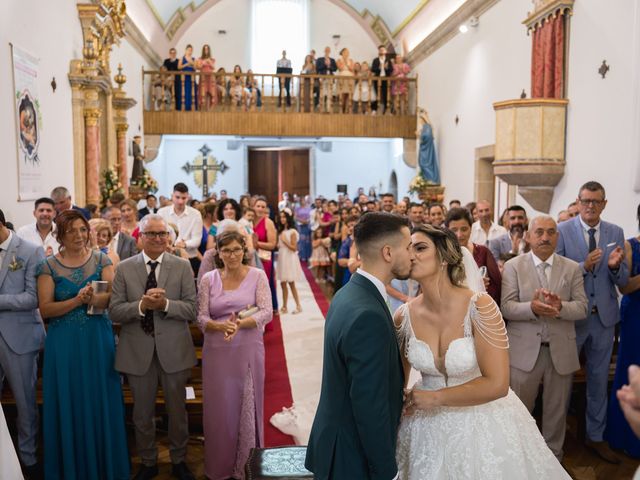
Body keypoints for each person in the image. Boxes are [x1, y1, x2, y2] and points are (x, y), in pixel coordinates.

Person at [395, 224, 570, 479]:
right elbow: (397, 381)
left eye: (420, 248)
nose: (411, 255)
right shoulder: (403, 316)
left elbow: (498, 384)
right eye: (409, 249)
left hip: (483, 420)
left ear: (444, 256)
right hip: (424, 427)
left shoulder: (479, 306)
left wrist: (435, 398)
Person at [306, 212, 412, 479]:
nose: (412, 254)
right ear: (388, 252)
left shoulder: (349, 292)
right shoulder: (368, 315)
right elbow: (369, 405)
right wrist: (387, 470)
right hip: (351, 456)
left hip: (337, 442)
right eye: (408, 246)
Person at [36, 210, 129, 479]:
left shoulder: (102, 259)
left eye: (82, 229)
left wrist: (93, 299)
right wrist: (77, 300)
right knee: (69, 398)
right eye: (71, 231)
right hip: (63, 344)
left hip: (97, 339)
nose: (79, 235)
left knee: (100, 397)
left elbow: (113, 298)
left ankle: (104, 466)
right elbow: (45, 310)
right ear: (60, 235)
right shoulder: (48, 266)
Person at [110, 214, 197, 480]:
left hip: (174, 350)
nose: (158, 238)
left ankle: (179, 459)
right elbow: (114, 311)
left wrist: (166, 305)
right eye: (152, 234)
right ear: (140, 238)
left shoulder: (182, 266)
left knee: (177, 411)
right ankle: (148, 461)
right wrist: (142, 306)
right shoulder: (124, 268)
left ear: (169, 238)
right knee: (142, 412)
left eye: (163, 234)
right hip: (138, 352)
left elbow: (192, 309)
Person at [501, 215, 588, 460]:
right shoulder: (514, 266)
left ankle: (553, 462)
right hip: (523, 351)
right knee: (519, 410)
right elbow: (506, 307)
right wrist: (533, 308)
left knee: (556, 412)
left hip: (561, 349)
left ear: (557, 237)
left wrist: (561, 307)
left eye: (551, 232)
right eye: (539, 232)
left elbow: (582, 307)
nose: (545, 237)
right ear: (528, 236)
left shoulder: (571, 268)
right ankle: (517, 459)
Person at [556, 181, 628, 463]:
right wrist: (582, 267)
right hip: (574, 318)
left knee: (598, 382)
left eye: (596, 202)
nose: (590, 206)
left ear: (604, 204)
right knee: (562, 382)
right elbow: (558, 279)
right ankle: (556, 440)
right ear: (578, 201)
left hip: (605, 318)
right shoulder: (562, 231)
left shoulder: (615, 232)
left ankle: (595, 438)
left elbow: (621, 280)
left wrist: (613, 267)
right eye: (586, 201)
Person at [197, 230, 272, 479]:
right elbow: (201, 316)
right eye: (226, 250)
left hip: (248, 347)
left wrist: (239, 324)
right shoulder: (208, 279)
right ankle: (219, 465)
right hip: (217, 350)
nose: (232, 255)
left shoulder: (258, 275)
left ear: (244, 250)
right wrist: (219, 326)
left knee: (246, 405)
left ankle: (246, 466)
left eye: (237, 249)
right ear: (218, 253)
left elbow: (266, 312)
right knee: (220, 409)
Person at [0, 209, 44, 478]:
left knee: (25, 402)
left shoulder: (29, 250)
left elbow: (33, 298)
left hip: (20, 338)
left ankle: (28, 458)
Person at [606, 203, 640, 457]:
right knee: (632, 369)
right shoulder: (630, 245)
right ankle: (626, 435)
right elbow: (625, 286)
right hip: (636, 313)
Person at [445, 207, 502, 305]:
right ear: (447, 230)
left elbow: (497, 284)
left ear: (471, 229)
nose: (459, 235)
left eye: (464, 229)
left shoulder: (483, 252)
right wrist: (474, 285)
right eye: (454, 230)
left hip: (480, 308)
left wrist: (483, 288)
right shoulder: (442, 256)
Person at [158, 182, 204, 275]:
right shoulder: (162, 213)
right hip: (166, 257)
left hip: (191, 257)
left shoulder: (195, 214)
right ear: (172, 196)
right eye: (177, 197)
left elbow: (197, 239)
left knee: (190, 288)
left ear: (188, 197)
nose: (180, 201)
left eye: (184, 198)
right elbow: (158, 234)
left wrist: (184, 244)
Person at [277, 209, 303, 314]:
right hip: (282, 256)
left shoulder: (292, 232)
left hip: (289, 257)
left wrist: (285, 241)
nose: (282, 219)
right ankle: (284, 306)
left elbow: (294, 248)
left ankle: (298, 305)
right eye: (281, 217)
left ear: (288, 218)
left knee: (291, 283)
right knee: (282, 283)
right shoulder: (281, 231)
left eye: (284, 217)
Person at [253, 197, 278, 310]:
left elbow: (272, 244)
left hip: (264, 258)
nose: (260, 208)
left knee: (264, 284)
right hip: (251, 257)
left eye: (263, 207)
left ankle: (266, 309)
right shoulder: (249, 220)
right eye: (258, 206)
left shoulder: (268, 222)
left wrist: (256, 243)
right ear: (253, 207)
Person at [371, 44, 393, 114]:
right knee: (376, 94)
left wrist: (386, 68)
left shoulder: (388, 60)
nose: (381, 51)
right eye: (380, 50)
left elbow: (391, 70)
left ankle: (386, 109)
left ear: (385, 51)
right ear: (378, 51)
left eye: (383, 50)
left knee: (386, 94)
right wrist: (379, 68)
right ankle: (374, 109)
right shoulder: (375, 60)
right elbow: (373, 69)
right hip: (377, 79)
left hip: (385, 79)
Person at [316, 46, 337, 112]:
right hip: (322, 77)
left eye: (328, 50)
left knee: (329, 93)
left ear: (329, 51)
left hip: (330, 77)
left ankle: (328, 108)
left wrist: (329, 66)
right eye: (326, 50)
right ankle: (321, 108)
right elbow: (318, 68)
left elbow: (335, 69)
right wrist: (325, 64)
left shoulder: (332, 60)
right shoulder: (320, 59)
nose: (327, 51)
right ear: (324, 51)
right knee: (322, 93)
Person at [197, 44, 216, 111]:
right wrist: (203, 62)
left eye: (207, 49)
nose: (206, 50)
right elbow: (198, 67)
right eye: (205, 49)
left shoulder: (212, 59)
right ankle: (202, 110)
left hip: (210, 78)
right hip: (203, 78)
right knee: (203, 94)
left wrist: (209, 62)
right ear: (203, 50)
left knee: (210, 94)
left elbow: (213, 67)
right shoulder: (200, 59)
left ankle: (209, 110)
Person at [178, 44, 197, 111]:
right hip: (184, 77)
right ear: (186, 50)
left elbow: (195, 68)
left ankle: (191, 107)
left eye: (191, 50)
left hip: (191, 78)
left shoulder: (193, 59)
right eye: (188, 50)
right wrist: (186, 64)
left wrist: (192, 63)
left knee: (191, 92)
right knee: (184, 92)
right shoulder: (182, 58)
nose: (190, 51)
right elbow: (179, 67)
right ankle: (184, 107)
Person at [336, 47, 354, 113]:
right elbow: (340, 68)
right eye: (345, 52)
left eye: (347, 52)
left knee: (349, 96)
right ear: (342, 53)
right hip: (342, 78)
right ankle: (342, 111)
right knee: (342, 96)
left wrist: (347, 62)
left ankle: (347, 111)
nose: (347, 53)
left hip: (349, 78)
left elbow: (352, 69)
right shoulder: (339, 60)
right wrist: (344, 61)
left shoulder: (351, 60)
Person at [295, 195, 312, 262]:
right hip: (300, 226)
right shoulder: (297, 209)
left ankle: (308, 256)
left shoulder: (309, 208)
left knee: (307, 241)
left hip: (307, 225)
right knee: (301, 241)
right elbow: (295, 217)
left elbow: (311, 216)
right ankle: (301, 256)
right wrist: (302, 221)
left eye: (304, 201)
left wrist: (307, 221)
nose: (303, 202)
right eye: (301, 201)